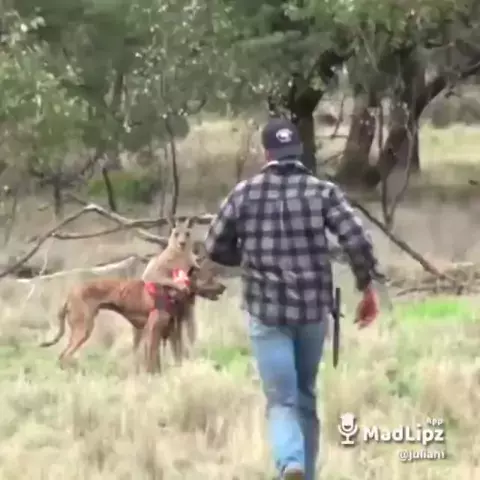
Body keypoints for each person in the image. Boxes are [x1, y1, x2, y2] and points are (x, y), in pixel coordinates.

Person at [203, 117, 380, 480]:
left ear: (266, 153)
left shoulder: (244, 194)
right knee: (305, 395)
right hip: (312, 312)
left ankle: (290, 463)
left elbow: (214, 245)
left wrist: (247, 258)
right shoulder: (322, 192)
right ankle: (305, 472)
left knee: (281, 400)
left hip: (266, 312)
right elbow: (357, 239)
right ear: (297, 150)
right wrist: (366, 287)